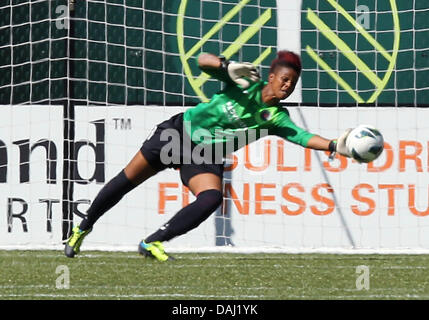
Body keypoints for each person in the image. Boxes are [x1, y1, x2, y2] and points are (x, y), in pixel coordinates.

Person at [64, 51, 352, 261]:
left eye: (293, 82)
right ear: (272, 76)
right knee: (126, 181)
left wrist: (333, 145)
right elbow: (202, 60)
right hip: (179, 133)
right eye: (285, 79)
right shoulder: (245, 83)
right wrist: (228, 66)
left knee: (212, 198)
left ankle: (152, 242)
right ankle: (83, 227)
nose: (288, 86)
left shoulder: (276, 117)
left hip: (206, 154)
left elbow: (301, 137)